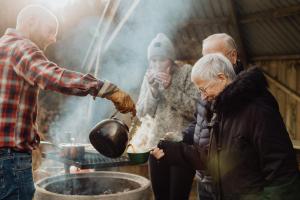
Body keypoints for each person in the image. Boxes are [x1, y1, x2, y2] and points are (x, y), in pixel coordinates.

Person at [0, 5, 136, 200]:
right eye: (50, 31)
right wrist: (105, 88)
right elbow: (53, 77)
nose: (53, 38)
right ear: (31, 22)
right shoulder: (20, 47)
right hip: (10, 157)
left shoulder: (2, 46)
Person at [153, 53, 300, 200]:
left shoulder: (258, 111)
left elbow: (283, 174)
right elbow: (213, 160)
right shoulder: (220, 110)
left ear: (222, 78)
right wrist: (173, 151)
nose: (203, 96)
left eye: (204, 89)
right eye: (200, 91)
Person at [135, 33, 199, 200]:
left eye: (162, 59)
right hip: (156, 147)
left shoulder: (187, 72)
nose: (157, 65)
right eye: (153, 60)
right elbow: (142, 113)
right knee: (160, 196)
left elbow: (196, 110)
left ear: (171, 59)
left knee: (178, 197)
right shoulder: (148, 77)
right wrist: (153, 91)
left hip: (181, 147)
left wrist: (169, 87)